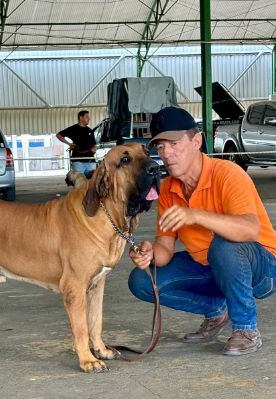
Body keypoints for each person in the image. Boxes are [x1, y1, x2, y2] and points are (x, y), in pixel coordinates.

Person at [128, 106, 276, 356]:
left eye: (174, 144)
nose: (166, 153)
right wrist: (150, 253)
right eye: (161, 147)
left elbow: (250, 230)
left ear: (196, 141)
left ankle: (246, 329)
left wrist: (196, 214)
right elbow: (165, 247)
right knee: (141, 280)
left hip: (261, 268)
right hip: (212, 268)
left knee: (224, 245)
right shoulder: (168, 190)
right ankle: (217, 311)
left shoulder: (227, 174)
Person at [56, 110, 97, 176]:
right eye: (86, 117)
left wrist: (95, 148)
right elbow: (58, 135)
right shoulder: (73, 129)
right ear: (81, 118)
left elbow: (94, 144)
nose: (89, 118)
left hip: (91, 161)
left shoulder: (90, 130)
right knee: (79, 183)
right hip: (78, 161)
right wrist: (68, 143)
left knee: (92, 183)